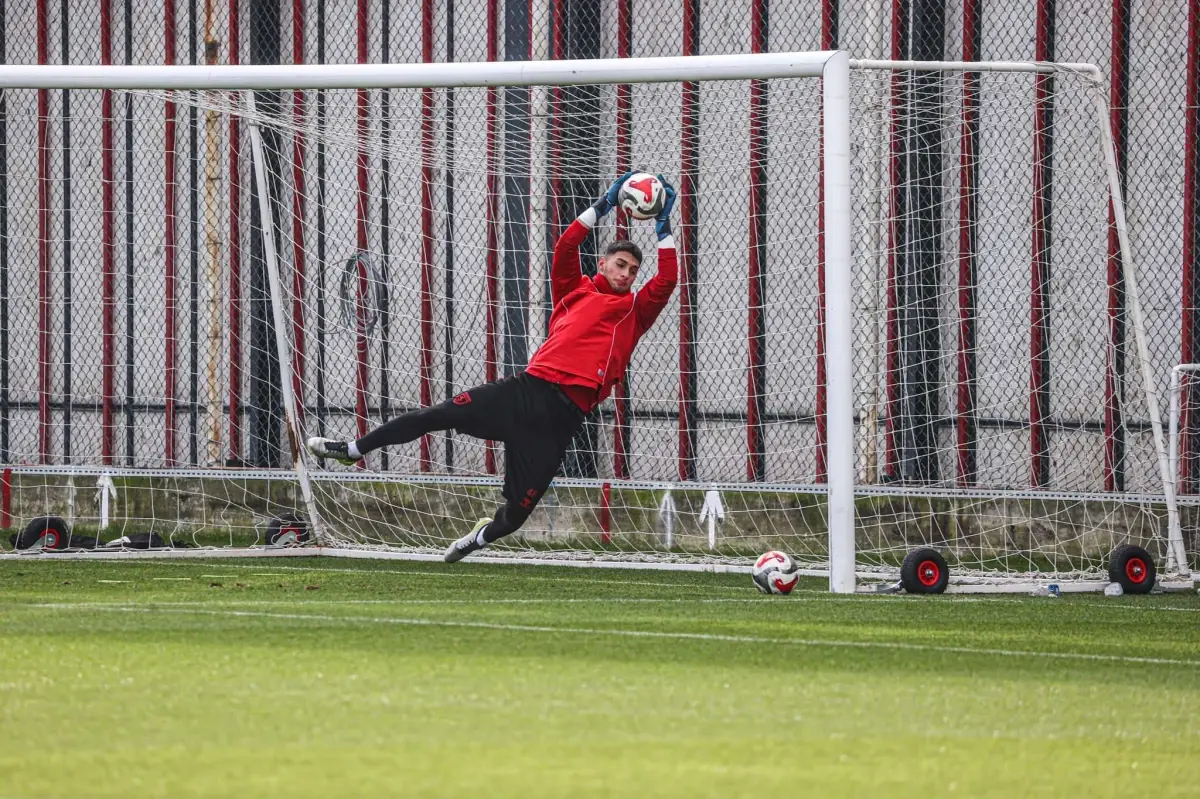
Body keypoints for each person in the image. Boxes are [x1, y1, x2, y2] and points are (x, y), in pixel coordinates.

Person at [307, 173, 677, 562]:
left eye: (633, 270)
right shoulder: (575, 289)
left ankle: (479, 537)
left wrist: (662, 222)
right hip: (526, 391)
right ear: (602, 263)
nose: (626, 274)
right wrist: (603, 204)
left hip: (562, 419)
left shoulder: (635, 310)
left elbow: (667, 279)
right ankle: (352, 449)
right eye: (620, 264)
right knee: (435, 415)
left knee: (517, 514)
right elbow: (567, 245)